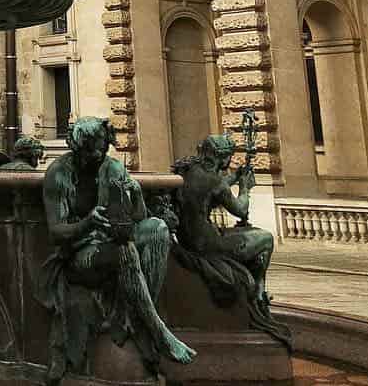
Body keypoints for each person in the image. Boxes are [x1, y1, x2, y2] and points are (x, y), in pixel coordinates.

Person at [37, 117, 195, 381]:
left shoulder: (112, 168)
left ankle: (140, 318)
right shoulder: (58, 173)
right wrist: (88, 223)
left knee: (158, 229)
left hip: (112, 241)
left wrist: (136, 195)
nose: (99, 156)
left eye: (103, 149)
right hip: (80, 254)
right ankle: (157, 331)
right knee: (125, 250)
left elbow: (139, 217)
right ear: (77, 148)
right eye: (92, 151)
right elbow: (56, 232)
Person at [171, 134, 289, 347]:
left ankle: (255, 293)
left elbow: (212, 189)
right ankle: (258, 293)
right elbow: (240, 209)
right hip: (210, 245)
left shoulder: (189, 171)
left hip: (189, 240)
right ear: (221, 156)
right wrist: (245, 188)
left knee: (248, 234)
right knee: (265, 239)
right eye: (229, 157)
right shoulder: (214, 180)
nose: (229, 161)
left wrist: (234, 177)